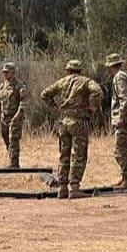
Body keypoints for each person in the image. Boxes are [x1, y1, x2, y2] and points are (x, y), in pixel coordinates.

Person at [40, 60, 102, 199]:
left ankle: (62, 188)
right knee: (78, 155)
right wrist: (93, 107)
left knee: (64, 155)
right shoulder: (86, 81)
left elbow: (44, 94)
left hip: (63, 122)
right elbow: (97, 90)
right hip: (78, 122)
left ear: (68, 70)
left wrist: (55, 107)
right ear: (80, 70)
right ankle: (74, 188)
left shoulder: (62, 82)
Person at [105, 54, 127, 190]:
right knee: (122, 150)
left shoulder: (119, 77)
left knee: (120, 151)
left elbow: (125, 99)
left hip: (123, 120)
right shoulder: (124, 76)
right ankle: (125, 178)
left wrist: (122, 118)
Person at [0, 62, 29, 168]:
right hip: (4, 118)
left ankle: (14, 163)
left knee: (13, 140)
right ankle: (11, 159)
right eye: (4, 72)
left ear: (13, 73)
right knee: (6, 138)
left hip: (15, 118)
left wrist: (18, 116)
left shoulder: (19, 86)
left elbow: (24, 103)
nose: (5, 74)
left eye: (7, 72)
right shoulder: (3, 86)